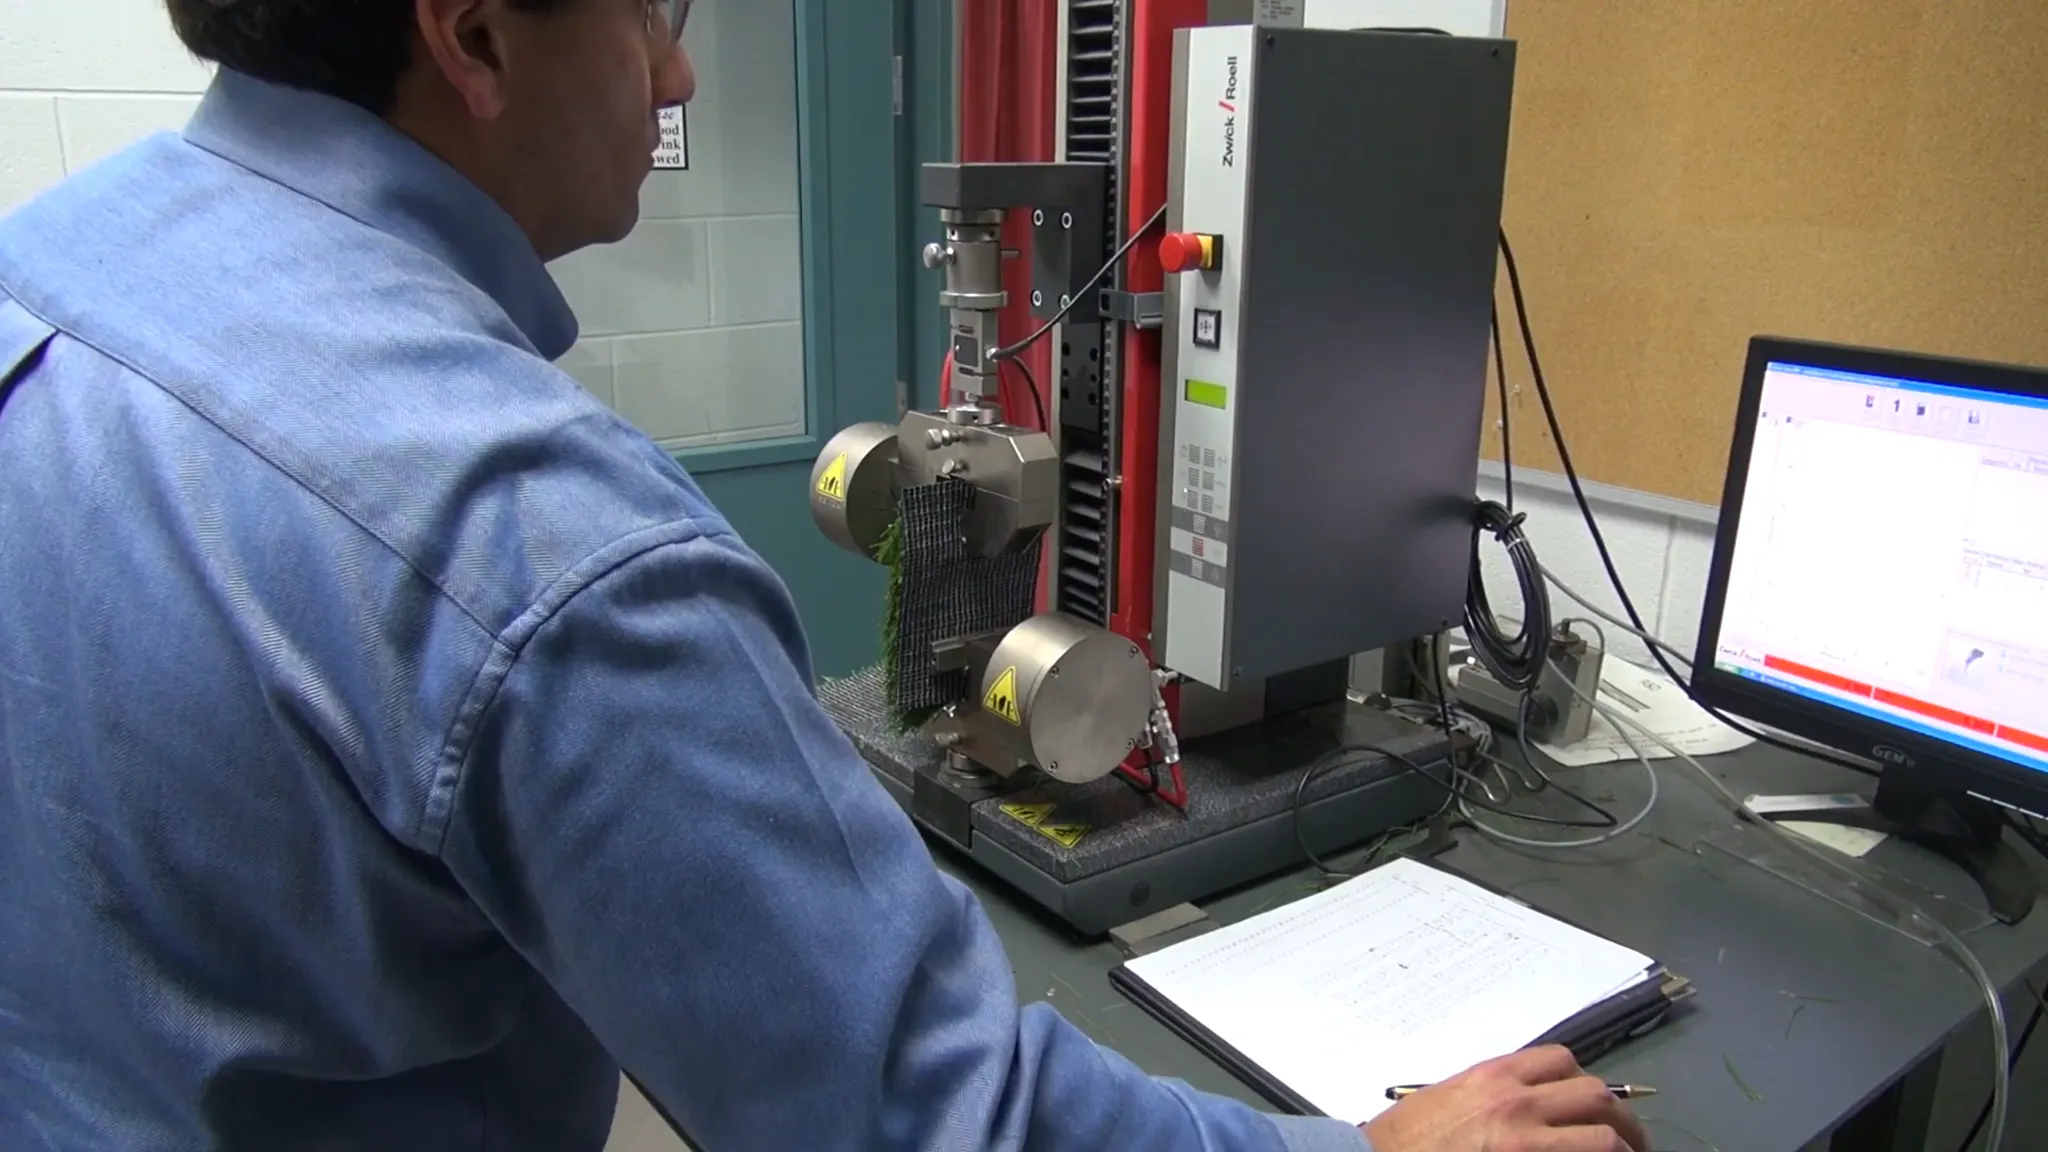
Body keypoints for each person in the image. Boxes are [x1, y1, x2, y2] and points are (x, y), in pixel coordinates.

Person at [0, 2, 1651, 1149]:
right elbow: (932, 1122)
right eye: (648, 10)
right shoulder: (536, 543)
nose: (680, 74)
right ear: (475, 36)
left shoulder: (44, 271)